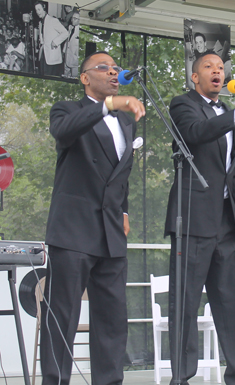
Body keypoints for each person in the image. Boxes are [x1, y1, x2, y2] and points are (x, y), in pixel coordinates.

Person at [41, 51, 145, 385]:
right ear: (85, 78)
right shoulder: (67, 109)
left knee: (112, 320)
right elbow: (64, 131)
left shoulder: (126, 122)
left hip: (111, 231)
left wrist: (124, 210)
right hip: (73, 230)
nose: (113, 73)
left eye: (116, 69)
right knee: (63, 317)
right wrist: (108, 106)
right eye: (104, 68)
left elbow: (121, 174)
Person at [164, 52, 235, 385]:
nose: (217, 72)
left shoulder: (227, 113)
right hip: (192, 217)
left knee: (234, 300)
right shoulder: (183, 105)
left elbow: (229, 168)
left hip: (225, 219)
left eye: (221, 67)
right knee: (186, 302)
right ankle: (182, 376)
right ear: (195, 77)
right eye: (209, 67)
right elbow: (197, 133)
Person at [35, 1, 69, 76]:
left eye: (39, 9)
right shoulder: (41, 22)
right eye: (36, 10)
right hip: (44, 54)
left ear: (44, 7)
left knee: (50, 75)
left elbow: (65, 33)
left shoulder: (53, 20)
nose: (37, 12)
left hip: (52, 54)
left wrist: (55, 42)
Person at [63, 11, 79, 78]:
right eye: (72, 18)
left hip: (74, 58)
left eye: (75, 18)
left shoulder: (79, 31)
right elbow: (67, 41)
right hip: (67, 55)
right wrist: (64, 51)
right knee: (66, 75)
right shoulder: (71, 28)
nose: (72, 20)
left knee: (74, 77)